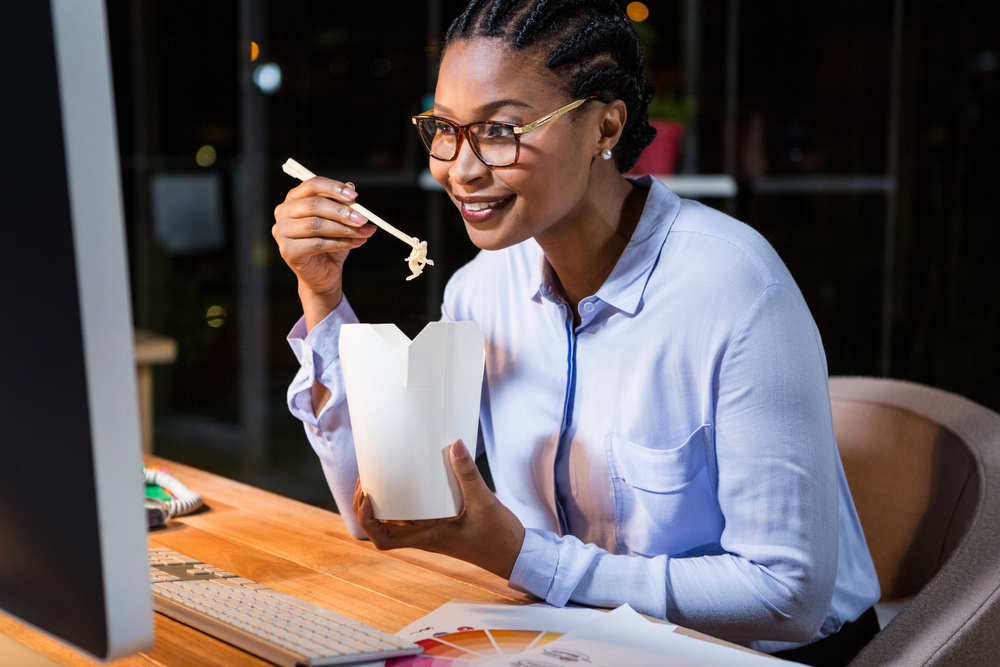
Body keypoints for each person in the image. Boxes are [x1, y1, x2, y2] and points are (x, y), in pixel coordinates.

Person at [272, 1, 881, 664]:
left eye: (500, 129)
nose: (460, 167)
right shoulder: (481, 289)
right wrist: (322, 294)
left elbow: (787, 596)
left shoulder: (734, 288)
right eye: (444, 129)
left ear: (605, 126)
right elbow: (385, 508)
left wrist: (522, 555)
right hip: (575, 641)